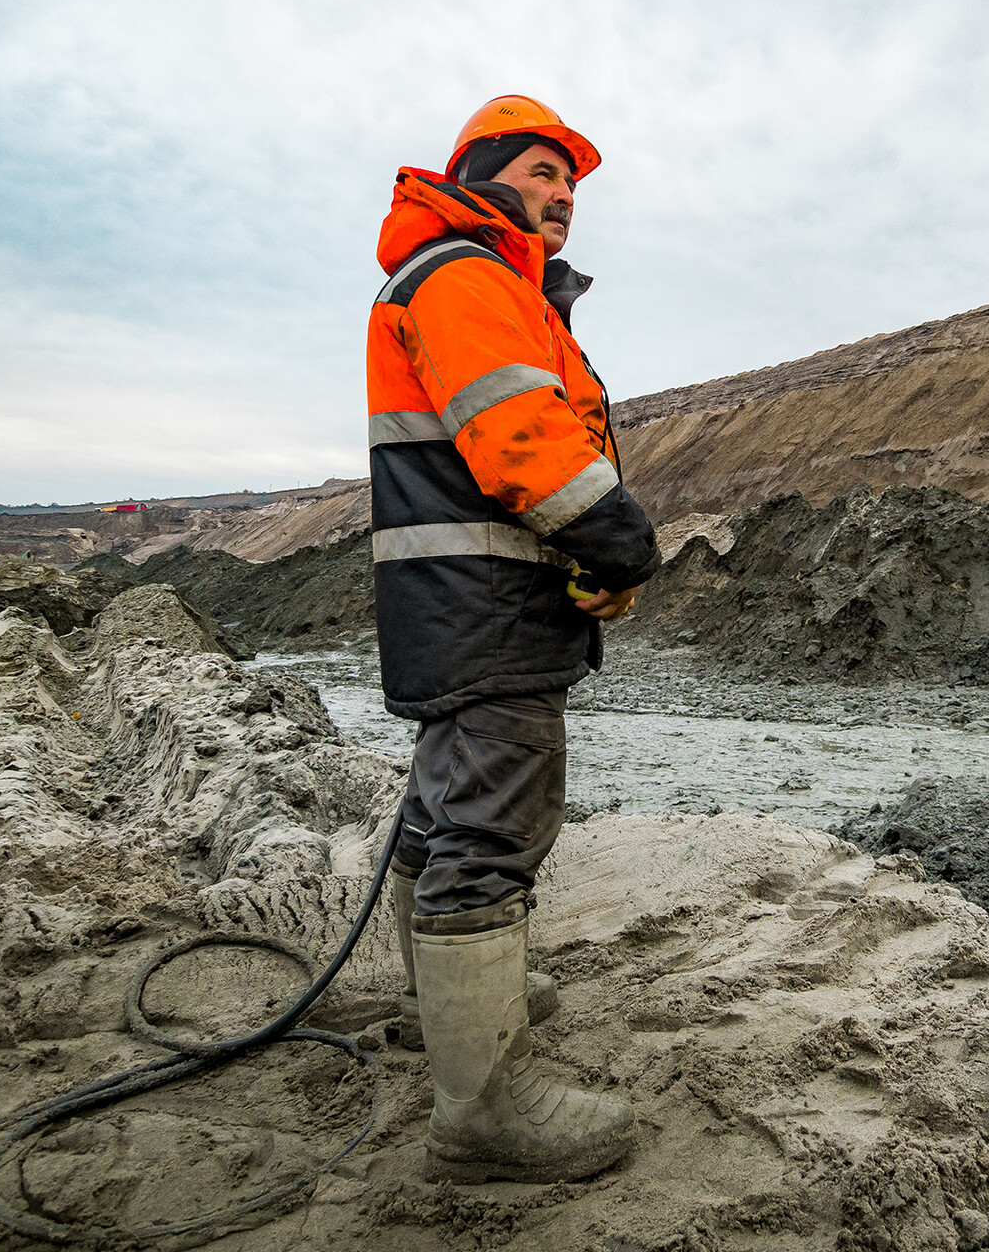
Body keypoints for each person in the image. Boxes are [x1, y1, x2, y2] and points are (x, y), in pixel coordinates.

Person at [367, 94, 661, 1184]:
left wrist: (585, 563)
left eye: (572, 182)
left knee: (443, 804)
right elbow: (523, 443)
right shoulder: (469, 278)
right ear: (486, 175)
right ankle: (481, 1108)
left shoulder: (481, 281)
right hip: (487, 601)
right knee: (492, 830)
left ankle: (443, 1010)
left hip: (459, 596)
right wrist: (621, 544)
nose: (565, 196)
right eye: (542, 173)